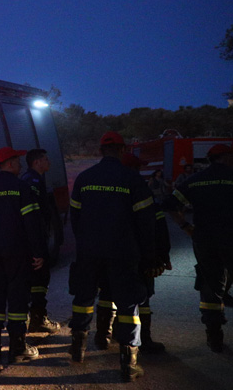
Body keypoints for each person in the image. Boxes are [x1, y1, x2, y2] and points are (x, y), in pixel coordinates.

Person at [68, 131, 157, 382]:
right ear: (122, 150)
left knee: (83, 298)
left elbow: (74, 218)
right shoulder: (132, 179)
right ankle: (129, 364)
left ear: (100, 151)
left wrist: (86, 241)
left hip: (89, 251)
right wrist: (147, 256)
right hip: (123, 252)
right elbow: (146, 222)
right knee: (128, 306)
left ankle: (77, 351)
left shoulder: (84, 178)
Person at [0, 147, 48, 364]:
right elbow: (32, 224)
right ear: (10, 163)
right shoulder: (21, 187)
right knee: (17, 300)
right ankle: (17, 348)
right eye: (17, 160)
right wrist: (38, 252)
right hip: (17, 253)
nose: (20, 164)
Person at [166, 143, 233, 352]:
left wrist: (186, 226)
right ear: (225, 157)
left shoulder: (194, 181)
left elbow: (169, 204)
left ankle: (214, 337)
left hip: (205, 240)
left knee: (210, 286)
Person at [121, 153, 171, 354]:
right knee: (142, 299)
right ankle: (144, 340)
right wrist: (160, 256)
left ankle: (111, 335)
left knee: (115, 296)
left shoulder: (114, 192)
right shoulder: (142, 190)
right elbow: (155, 226)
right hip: (140, 255)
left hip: (116, 254)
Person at [21, 149, 61, 334]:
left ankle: (34, 318)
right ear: (37, 162)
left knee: (35, 279)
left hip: (30, 238)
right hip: (34, 238)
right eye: (46, 159)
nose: (49, 162)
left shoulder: (31, 179)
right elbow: (35, 217)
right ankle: (38, 318)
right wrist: (38, 248)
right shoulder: (33, 182)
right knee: (39, 276)